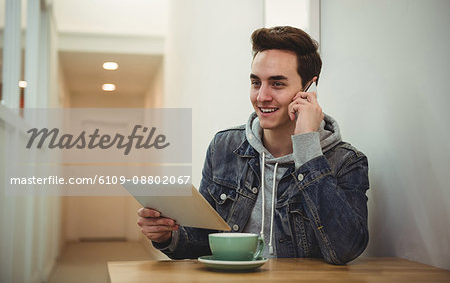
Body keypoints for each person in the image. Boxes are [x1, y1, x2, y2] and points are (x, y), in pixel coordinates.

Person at [137, 26, 369, 265]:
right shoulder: (224, 147)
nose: (261, 97)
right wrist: (168, 235)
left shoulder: (346, 161)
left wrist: (307, 147)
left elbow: (345, 250)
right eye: (256, 83)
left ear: (309, 88)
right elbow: (203, 241)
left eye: (277, 84)